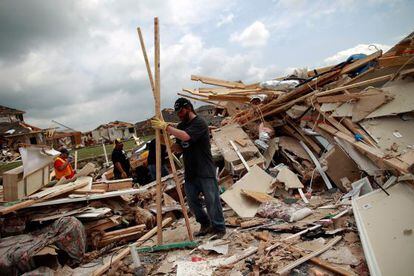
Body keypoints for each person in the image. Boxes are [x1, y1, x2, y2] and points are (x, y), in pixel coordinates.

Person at [151, 98, 226, 238]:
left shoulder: (200, 123)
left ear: (189, 108)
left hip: (204, 169)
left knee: (212, 200)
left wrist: (166, 127)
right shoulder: (180, 126)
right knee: (192, 202)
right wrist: (165, 141)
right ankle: (205, 224)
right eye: (177, 112)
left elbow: (186, 137)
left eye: (181, 111)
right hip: (191, 171)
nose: (179, 114)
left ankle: (219, 227)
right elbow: (180, 148)